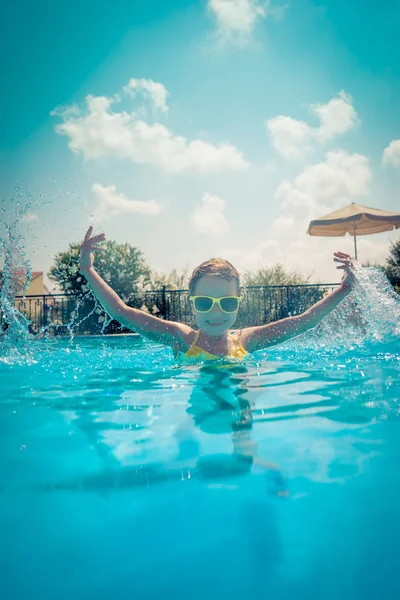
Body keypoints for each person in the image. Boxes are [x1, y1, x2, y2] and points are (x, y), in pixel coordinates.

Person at [79, 226, 354, 359]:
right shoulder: (182, 339)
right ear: (192, 303)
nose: (216, 312)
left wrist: (344, 289)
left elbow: (303, 321)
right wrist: (89, 270)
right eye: (205, 302)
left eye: (226, 302)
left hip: (238, 411)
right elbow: (122, 313)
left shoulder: (247, 341)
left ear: (238, 302)